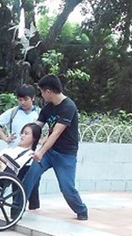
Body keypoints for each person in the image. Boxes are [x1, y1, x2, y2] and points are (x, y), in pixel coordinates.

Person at [18, 75, 88, 220]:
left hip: (65, 155)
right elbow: (36, 127)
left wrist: (40, 152)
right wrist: (24, 140)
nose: (41, 95)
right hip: (50, 152)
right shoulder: (48, 107)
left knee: (66, 188)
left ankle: (81, 210)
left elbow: (56, 133)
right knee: (30, 176)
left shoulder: (68, 107)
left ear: (48, 91)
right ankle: (16, 209)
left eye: (42, 92)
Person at [0, 84, 42, 209]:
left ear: (33, 98)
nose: (23, 102)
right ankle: (17, 207)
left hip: (32, 154)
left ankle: (33, 206)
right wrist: (5, 138)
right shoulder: (13, 112)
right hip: (15, 155)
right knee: (16, 181)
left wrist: (43, 141)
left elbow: (52, 129)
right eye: (20, 100)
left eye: (26, 99)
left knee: (33, 182)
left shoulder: (39, 113)